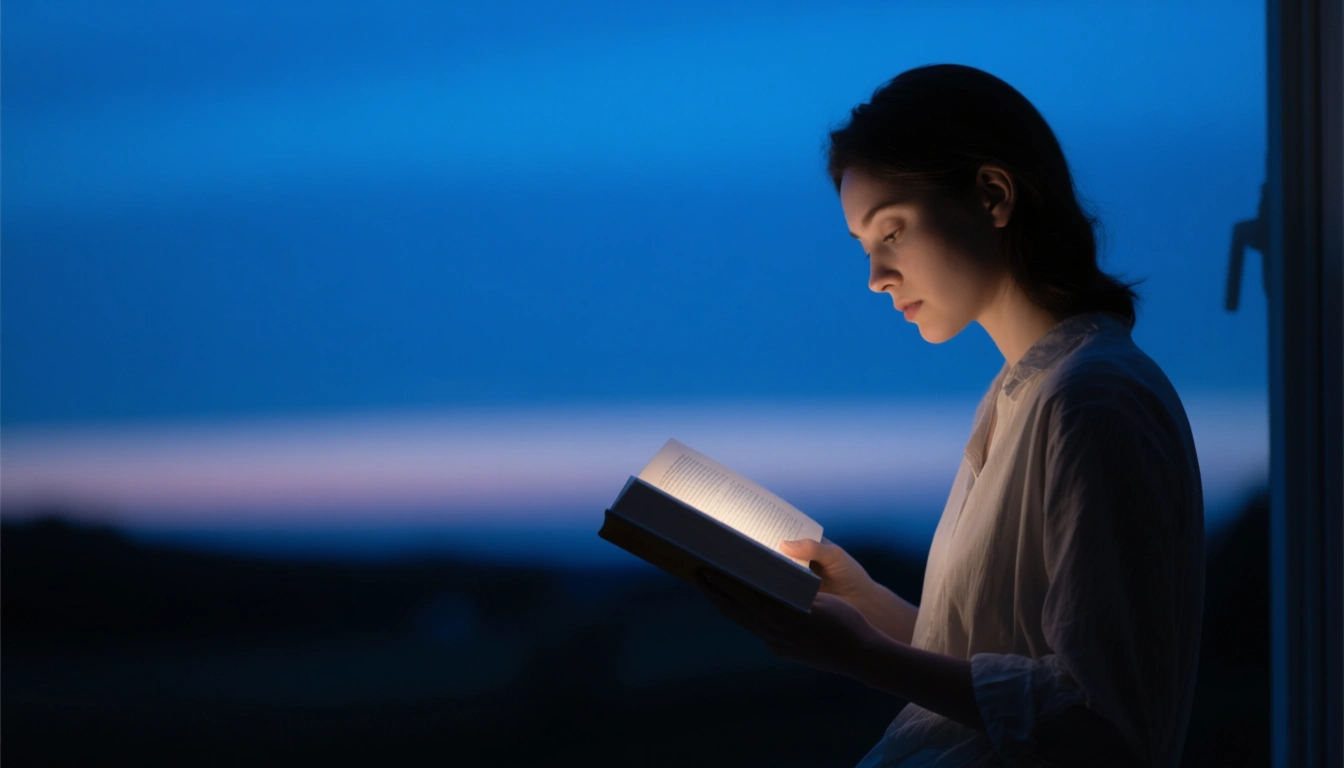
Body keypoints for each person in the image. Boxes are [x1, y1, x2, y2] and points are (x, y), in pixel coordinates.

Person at [694, 64, 1204, 767]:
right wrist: (867, 601)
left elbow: (1102, 728)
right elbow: (996, 669)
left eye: (892, 232)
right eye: (865, 247)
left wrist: (866, 657)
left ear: (993, 195)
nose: (876, 276)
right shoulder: (1022, 396)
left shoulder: (1091, 401)